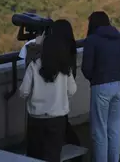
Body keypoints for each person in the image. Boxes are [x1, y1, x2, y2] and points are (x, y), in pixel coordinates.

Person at [19, 33, 77, 162]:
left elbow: (23, 92)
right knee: (53, 155)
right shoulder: (65, 68)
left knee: (35, 155)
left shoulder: (34, 66)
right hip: (57, 117)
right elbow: (72, 90)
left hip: (36, 117)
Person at [82, 11, 120, 162]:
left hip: (101, 85)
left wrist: (94, 78)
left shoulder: (92, 40)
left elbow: (86, 68)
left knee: (99, 130)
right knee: (114, 129)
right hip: (118, 85)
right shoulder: (119, 38)